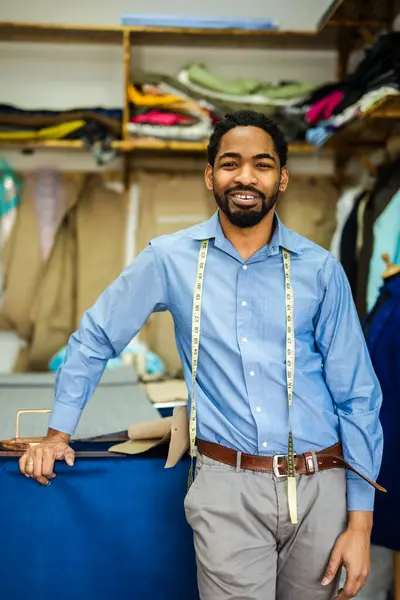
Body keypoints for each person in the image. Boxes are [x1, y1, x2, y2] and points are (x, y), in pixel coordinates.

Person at [19, 110, 383, 600]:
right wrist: (56, 433)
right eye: (231, 164)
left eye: (263, 164)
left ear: (283, 177)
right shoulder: (170, 258)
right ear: (210, 175)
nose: (246, 177)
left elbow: (357, 398)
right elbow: (94, 338)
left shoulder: (321, 270)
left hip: (322, 489)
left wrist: (360, 526)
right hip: (225, 487)